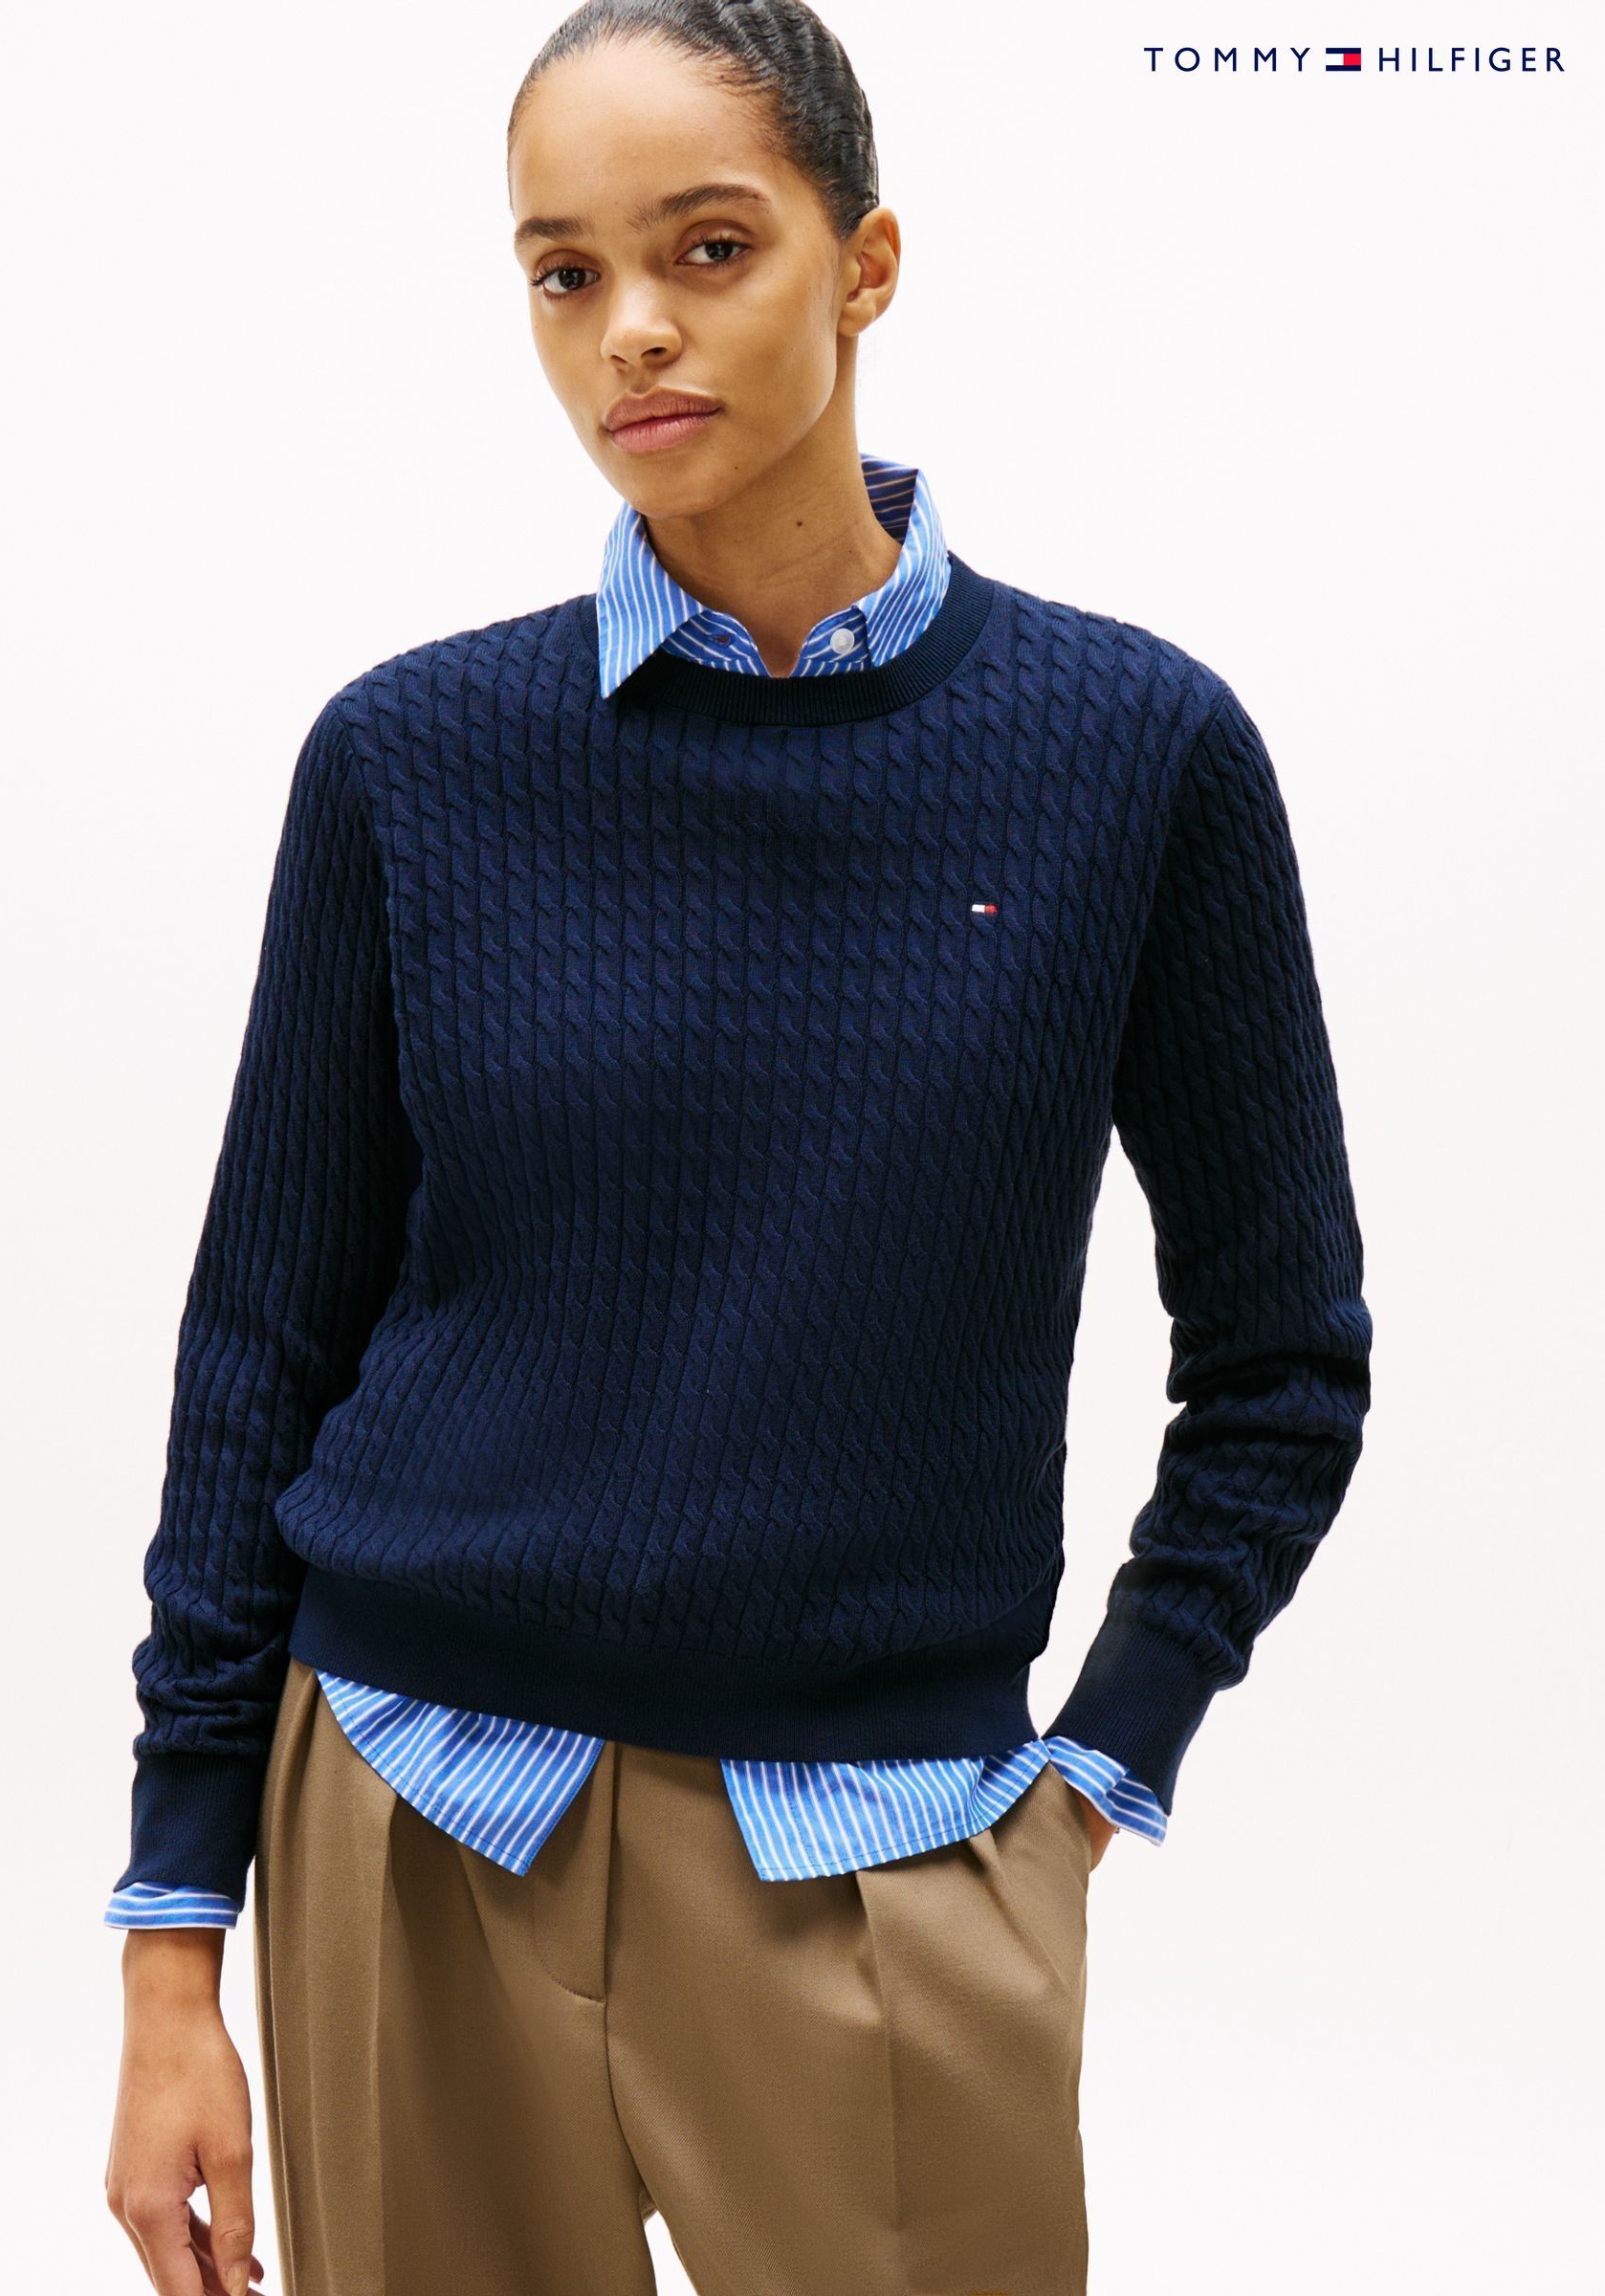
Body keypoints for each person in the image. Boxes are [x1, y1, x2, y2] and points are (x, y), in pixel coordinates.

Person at [102, 4, 1374, 2292]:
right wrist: (173, 1944)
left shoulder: (1135, 755)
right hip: (407, 1806)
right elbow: (261, 1350)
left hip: (884, 1845)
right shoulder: (409, 759)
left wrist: (1092, 1781)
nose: (632, 330)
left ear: (865, 262)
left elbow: (1284, 1357)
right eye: (564, 272)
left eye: (707, 246)